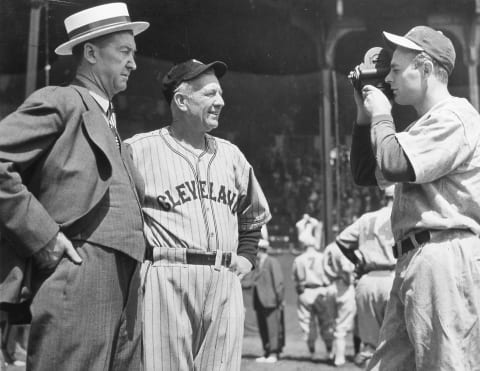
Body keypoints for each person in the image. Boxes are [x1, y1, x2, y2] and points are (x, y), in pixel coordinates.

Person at [0, 3, 149, 370]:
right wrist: (44, 236)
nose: (133, 63)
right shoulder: (62, 99)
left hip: (128, 282)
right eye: (124, 52)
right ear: (92, 53)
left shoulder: (110, 121)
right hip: (80, 271)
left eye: (134, 54)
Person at [126, 59, 271, 371]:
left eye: (219, 93)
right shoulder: (138, 150)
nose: (220, 101)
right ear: (181, 100)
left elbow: (253, 215)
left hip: (223, 277)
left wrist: (245, 257)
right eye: (209, 94)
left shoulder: (232, 155)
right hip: (166, 274)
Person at [351, 25, 480, 370]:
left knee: (446, 365)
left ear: (424, 68)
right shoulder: (421, 127)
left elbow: (392, 163)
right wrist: (365, 115)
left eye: (395, 69)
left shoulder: (456, 116)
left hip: (445, 254)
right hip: (414, 259)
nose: (388, 78)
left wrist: (381, 113)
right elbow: (366, 173)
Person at [335, 186, 396, 366]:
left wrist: (357, 262)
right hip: (392, 277)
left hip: (367, 280)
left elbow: (342, 240)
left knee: (370, 346)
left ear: (385, 197)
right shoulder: (403, 215)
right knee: (396, 343)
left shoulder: (367, 218)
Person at [292, 230, 334, 361]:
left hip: (305, 292)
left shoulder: (298, 259)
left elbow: (295, 278)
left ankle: (312, 352)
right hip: (321, 290)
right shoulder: (322, 256)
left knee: (307, 323)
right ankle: (329, 351)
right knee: (326, 323)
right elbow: (329, 274)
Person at [252, 225, 285, 364]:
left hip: (271, 301)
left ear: (261, 249)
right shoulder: (257, 264)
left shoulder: (272, 262)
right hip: (260, 302)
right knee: (263, 327)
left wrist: (279, 300)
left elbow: (279, 283)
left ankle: (274, 352)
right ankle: (266, 352)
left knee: (273, 327)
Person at [323, 241, 356, 367]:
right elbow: (346, 268)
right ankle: (339, 358)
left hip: (330, 286)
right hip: (344, 287)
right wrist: (348, 280)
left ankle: (331, 352)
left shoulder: (329, 247)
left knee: (332, 323)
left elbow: (324, 267)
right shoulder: (345, 246)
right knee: (341, 326)